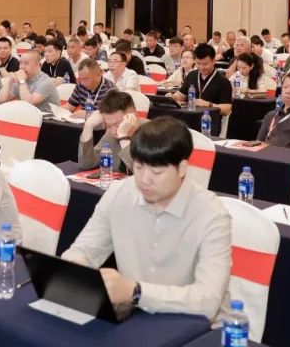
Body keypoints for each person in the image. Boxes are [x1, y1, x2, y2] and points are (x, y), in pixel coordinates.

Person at [62, 116, 231, 320]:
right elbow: (84, 251)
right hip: (136, 317)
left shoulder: (212, 214)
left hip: (193, 323)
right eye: (139, 167)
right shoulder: (119, 193)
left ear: (182, 169)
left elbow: (208, 300)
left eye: (157, 172)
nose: (144, 180)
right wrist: (74, 271)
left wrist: (136, 292)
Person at [78, 91, 143, 172]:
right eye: (108, 125)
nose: (113, 131)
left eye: (117, 125)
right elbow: (86, 164)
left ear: (135, 117)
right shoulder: (110, 133)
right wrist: (88, 126)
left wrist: (123, 137)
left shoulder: (153, 134)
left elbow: (140, 172)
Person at [169, 43, 233, 116]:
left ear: (213, 61)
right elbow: (180, 95)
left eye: (205, 64)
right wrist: (173, 97)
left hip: (210, 119)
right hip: (189, 116)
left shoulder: (223, 81)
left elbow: (227, 109)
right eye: (198, 64)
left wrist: (209, 104)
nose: (202, 67)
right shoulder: (192, 75)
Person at [0, 49, 60, 114]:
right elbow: (0, 101)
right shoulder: (21, 77)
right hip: (27, 116)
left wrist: (22, 81)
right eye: (21, 63)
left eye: (26, 63)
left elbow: (29, 104)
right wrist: (9, 80)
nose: (22, 67)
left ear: (37, 65)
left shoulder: (46, 81)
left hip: (48, 118)